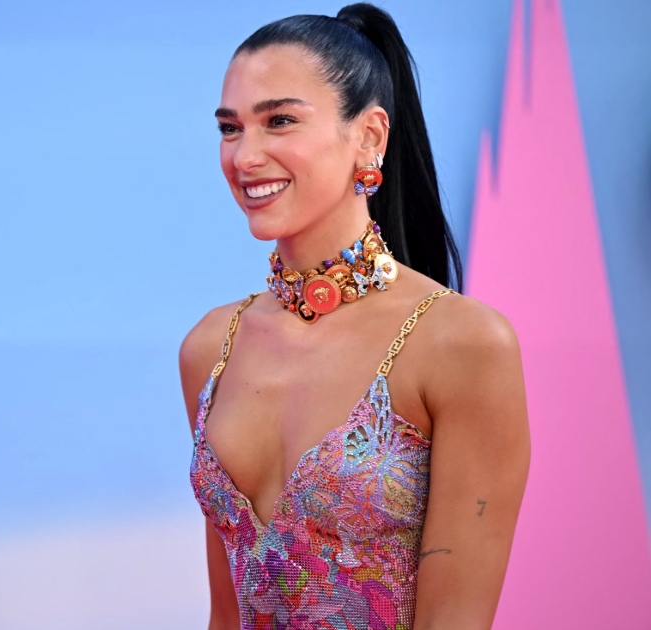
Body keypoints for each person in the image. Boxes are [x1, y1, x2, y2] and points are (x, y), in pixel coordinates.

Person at [180, 4, 530, 629]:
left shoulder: (462, 343)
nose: (245, 156)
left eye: (279, 121)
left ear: (369, 136)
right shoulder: (212, 347)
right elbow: (226, 615)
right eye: (230, 129)